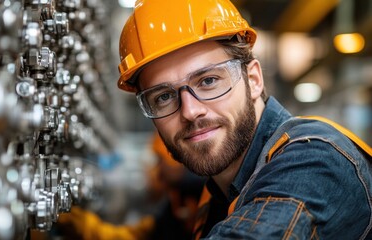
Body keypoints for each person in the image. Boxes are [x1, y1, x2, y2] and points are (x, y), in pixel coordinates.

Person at [116, 0, 372, 239]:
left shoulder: (314, 163)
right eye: (163, 97)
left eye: (208, 81)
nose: (190, 111)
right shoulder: (216, 192)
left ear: (254, 80)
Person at [30, 133, 205, 240]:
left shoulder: (203, 195)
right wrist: (79, 223)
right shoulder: (176, 203)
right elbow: (131, 236)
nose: (156, 170)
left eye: (160, 160)